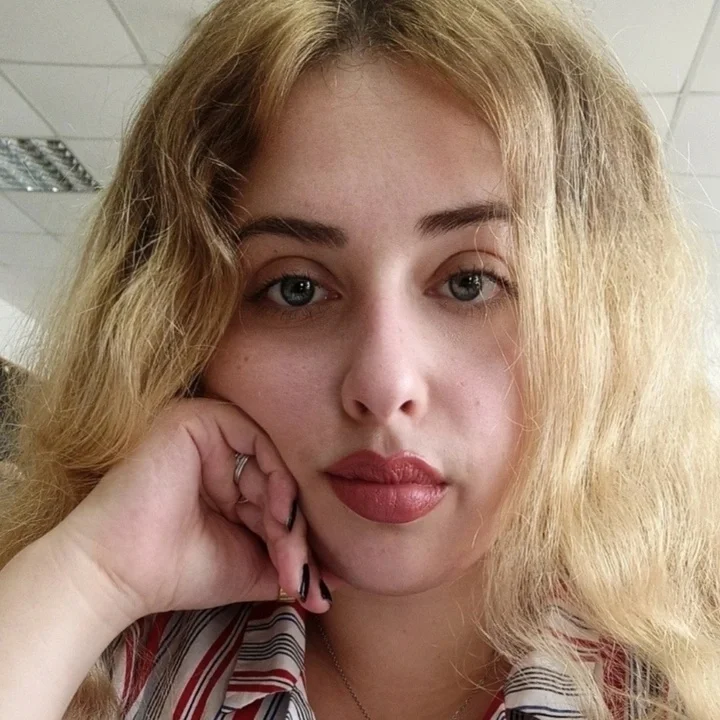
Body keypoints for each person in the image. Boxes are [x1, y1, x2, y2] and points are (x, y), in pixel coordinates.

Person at [0, 0, 718, 718]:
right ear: (180, 330)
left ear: (601, 324)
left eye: (471, 283)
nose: (383, 383)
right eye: (296, 288)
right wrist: (91, 579)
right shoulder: (103, 655)